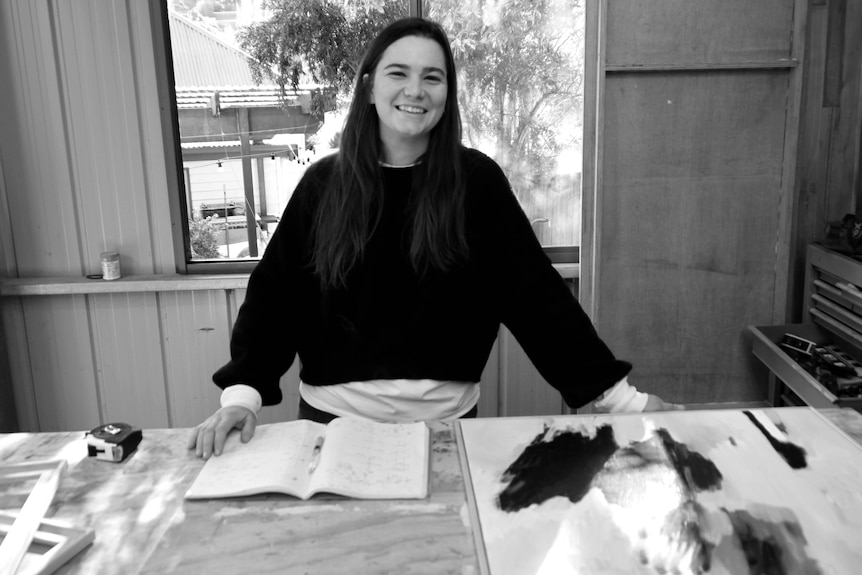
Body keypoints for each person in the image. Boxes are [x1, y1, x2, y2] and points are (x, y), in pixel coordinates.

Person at [189, 17, 677, 459]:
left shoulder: (476, 182)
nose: (415, 90)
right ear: (369, 86)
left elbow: (537, 298)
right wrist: (241, 396)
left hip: (447, 433)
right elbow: (275, 298)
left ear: (447, 92)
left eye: (433, 77)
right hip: (332, 431)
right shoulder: (323, 186)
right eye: (398, 73)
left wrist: (620, 400)